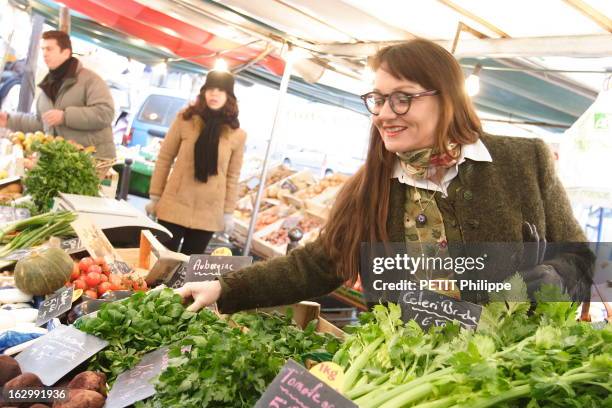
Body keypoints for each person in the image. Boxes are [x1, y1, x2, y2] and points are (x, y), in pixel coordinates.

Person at [177, 38, 593, 313]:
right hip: (404, 372)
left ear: (447, 99)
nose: (383, 114)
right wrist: (225, 288)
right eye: (377, 99)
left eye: (402, 99)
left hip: (508, 372)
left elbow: (580, 259)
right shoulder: (373, 184)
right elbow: (318, 264)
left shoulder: (524, 162)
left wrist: (553, 278)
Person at [146, 70, 246, 255]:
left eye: (220, 90)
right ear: (203, 92)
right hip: (174, 205)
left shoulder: (237, 134)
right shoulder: (185, 119)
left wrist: (228, 212)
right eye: (210, 89)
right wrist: (155, 195)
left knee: (189, 270)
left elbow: (232, 176)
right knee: (160, 261)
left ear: (229, 96)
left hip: (208, 212)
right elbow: (164, 158)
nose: (214, 93)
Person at [0, 30, 116, 158]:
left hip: (92, 160)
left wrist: (65, 116)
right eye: (43, 49)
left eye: (49, 49)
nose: (44, 54)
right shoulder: (47, 85)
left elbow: (105, 113)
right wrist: (10, 120)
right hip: (63, 162)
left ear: (65, 52)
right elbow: (42, 122)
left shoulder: (91, 80)